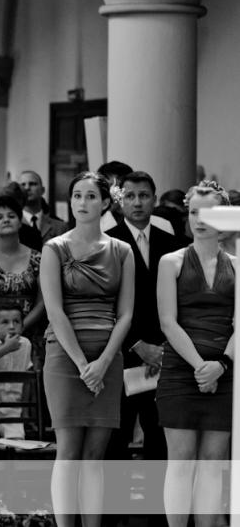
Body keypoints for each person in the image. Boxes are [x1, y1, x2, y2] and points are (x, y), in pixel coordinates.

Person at [40, 171, 134, 527]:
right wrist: (83, 364)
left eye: (91, 196)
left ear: (106, 203)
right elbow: (54, 310)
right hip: (65, 356)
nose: (82, 203)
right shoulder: (55, 248)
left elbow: (126, 313)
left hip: (108, 353)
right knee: (68, 452)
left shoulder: (121, 251)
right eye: (77, 196)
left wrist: (104, 362)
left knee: (96, 454)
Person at [156, 181, 235, 527]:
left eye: (208, 212)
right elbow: (167, 322)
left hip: (227, 371)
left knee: (213, 462)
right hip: (179, 371)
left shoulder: (237, 265)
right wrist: (201, 366)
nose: (199, 220)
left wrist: (222, 365)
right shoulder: (170, 261)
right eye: (192, 212)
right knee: (181, 461)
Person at [103, 171, 183, 515]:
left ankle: (155, 510)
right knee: (117, 436)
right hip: (123, 352)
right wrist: (137, 344)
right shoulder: (107, 242)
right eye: (131, 196)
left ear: (155, 198)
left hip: (165, 354)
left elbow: (180, 301)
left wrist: (164, 347)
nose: (138, 203)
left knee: (159, 434)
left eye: (144, 195)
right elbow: (106, 302)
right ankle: (117, 510)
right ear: (120, 201)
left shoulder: (173, 244)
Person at [0, 196, 45, 365]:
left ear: (20, 222)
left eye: (11, 216)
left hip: (28, 331)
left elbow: (43, 302)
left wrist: (19, 328)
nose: (5, 220)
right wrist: (0, 329)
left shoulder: (38, 258)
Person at [0, 302, 33, 439]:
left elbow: (27, 380)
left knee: (15, 438)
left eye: (16, 321)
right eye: (5, 322)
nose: (12, 326)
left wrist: (25, 412)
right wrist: (6, 348)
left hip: (14, 409)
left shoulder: (25, 344)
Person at [19, 170, 68, 243]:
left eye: (32, 184)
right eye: (23, 185)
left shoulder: (60, 227)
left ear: (42, 190)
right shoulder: (12, 225)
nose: (27, 188)